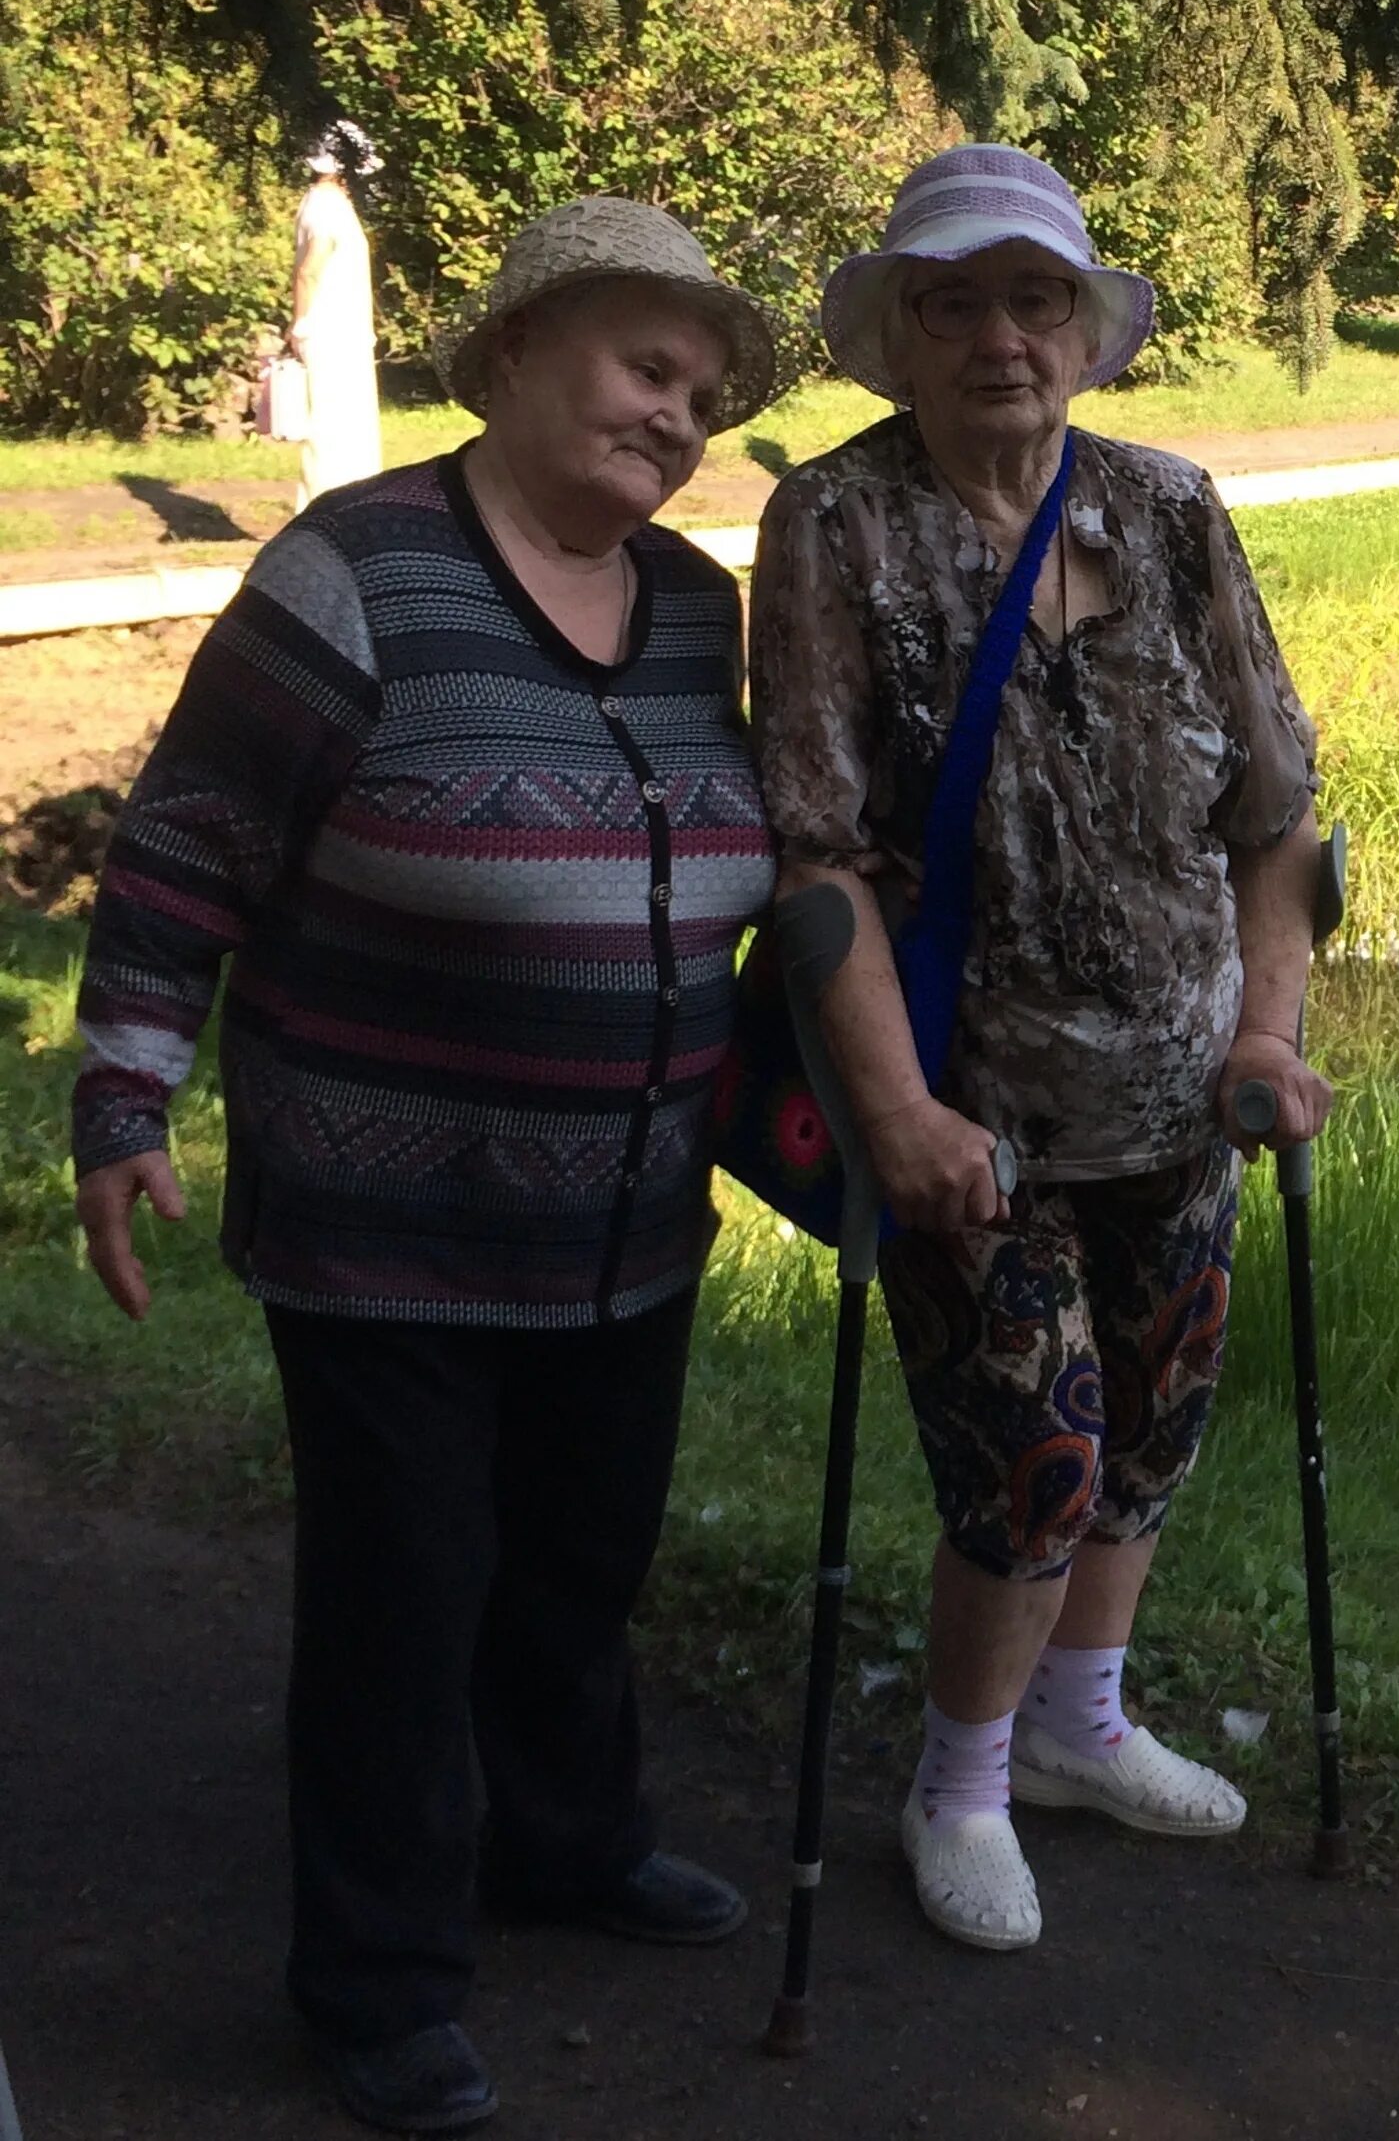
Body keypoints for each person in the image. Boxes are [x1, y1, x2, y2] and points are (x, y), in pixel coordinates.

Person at [70, 198, 783, 2137]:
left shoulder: (698, 604)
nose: (678, 417)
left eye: (704, 395)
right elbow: (182, 853)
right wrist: (127, 1106)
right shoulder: (352, 576)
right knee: (404, 1593)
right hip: (382, 1220)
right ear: (519, 355)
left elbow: (746, 852)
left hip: (631, 1217)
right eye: (651, 368)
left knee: (578, 1558)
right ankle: (376, 1980)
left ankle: (561, 1840)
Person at [749, 143, 1332, 1954]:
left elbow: (1279, 810)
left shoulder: (1167, 513)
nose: (1001, 339)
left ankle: (1084, 1731)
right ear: (898, 337)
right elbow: (817, 856)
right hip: (972, 1118)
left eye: (1035, 300)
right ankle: (965, 1781)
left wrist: (1264, 1031)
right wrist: (894, 1109)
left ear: (1086, 330)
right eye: (955, 303)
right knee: (1033, 1457)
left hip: (1176, 1098)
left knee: (1148, 1427)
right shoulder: (836, 527)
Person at [287, 121, 385, 507]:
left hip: (342, 330)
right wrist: (301, 324)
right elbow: (310, 269)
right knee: (333, 426)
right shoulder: (326, 205)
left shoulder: (327, 202)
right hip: (330, 332)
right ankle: (328, 508)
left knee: (348, 424)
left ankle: (351, 504)